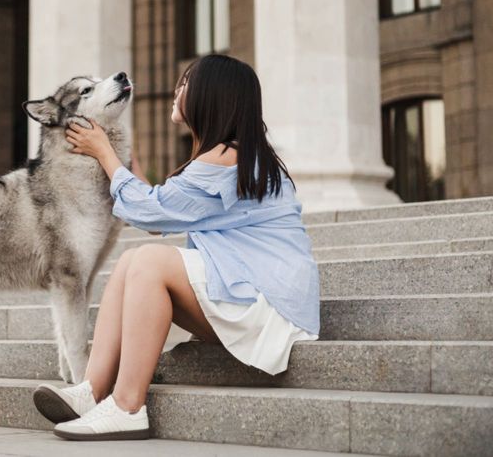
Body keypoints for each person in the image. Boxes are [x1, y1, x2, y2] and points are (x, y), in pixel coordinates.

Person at [32, 53, 321, 441]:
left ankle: (127, 405)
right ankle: (91, 390)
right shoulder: (233, 155)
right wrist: (117, 154)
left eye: (186, 83)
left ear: (209, 96)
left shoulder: (227, 158)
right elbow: (156, 213)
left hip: (273, 313)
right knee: (132, 260)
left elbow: (150, 213)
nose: (176, 89)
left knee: (148, 262)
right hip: (252, 299)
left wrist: (104, 152)